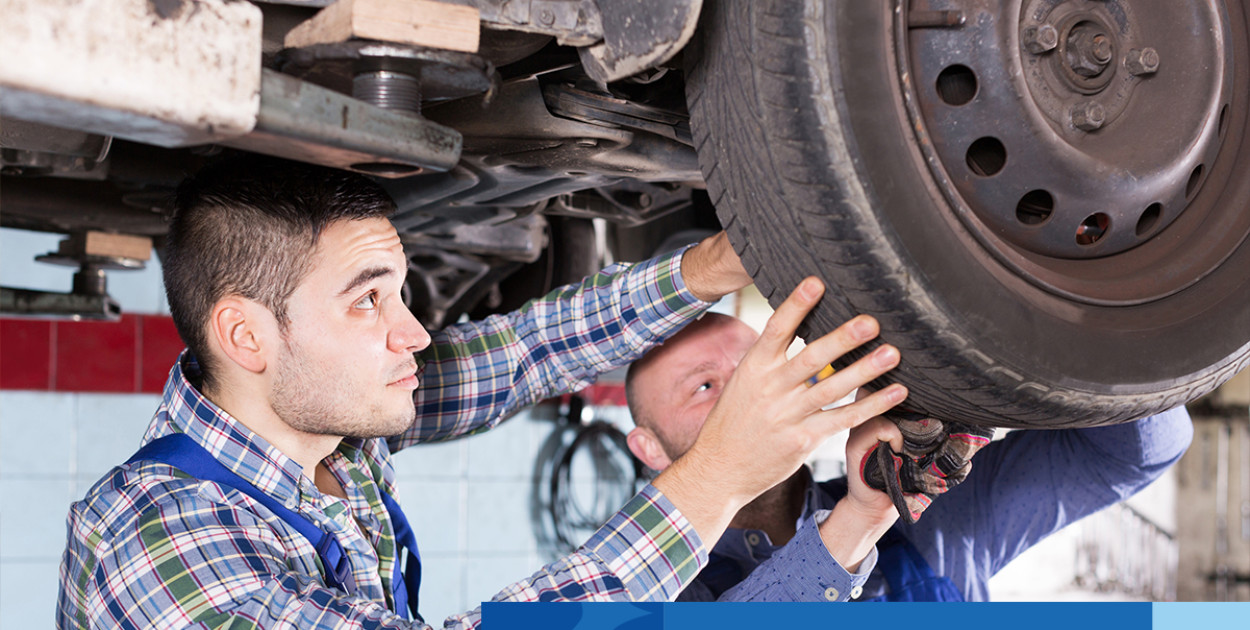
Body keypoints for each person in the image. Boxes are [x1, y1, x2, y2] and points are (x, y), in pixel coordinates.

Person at [57, 156, 911, 630]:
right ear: (246, 337)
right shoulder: (159, 540)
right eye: (367, 301)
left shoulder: (326, 430)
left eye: (399, 292)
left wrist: (713, 267)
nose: (414, 332)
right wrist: (718, 474)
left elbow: (529, 352)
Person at [624, 312, 1194, 602]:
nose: (751, 399)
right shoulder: (641, 585)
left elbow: (1134, 453)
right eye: (704, 387)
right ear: (648, 446)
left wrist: (1059, 323)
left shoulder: (926, 510)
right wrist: (858, 520)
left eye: (756, 371)